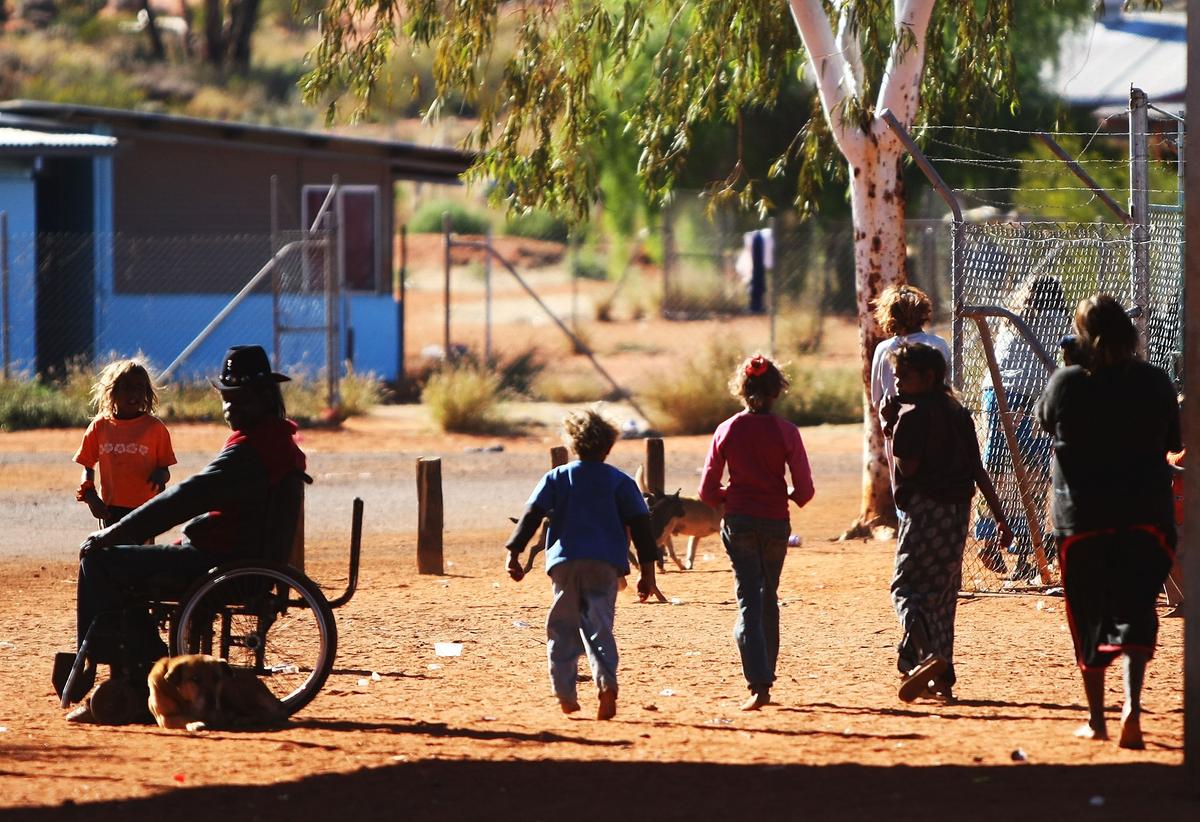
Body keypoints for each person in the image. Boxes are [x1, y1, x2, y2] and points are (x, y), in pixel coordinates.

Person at [67, 345, 307, 723]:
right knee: (124, 563)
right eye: (226, 399)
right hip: (236, 555)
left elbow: (182, 498)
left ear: (263, 399)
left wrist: (113, 533)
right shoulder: (277, 441)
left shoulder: (252, 451)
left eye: (237, 400)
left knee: (99, 561)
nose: (229, 409)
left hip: (218, 561)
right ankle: (144, 669)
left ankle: (136, 675)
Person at [1037, 294, 1180, 749]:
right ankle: (1132, 708)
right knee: (1137, 608)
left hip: (1083, 518)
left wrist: (1071, 367)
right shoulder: (1155, 380)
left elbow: (1046, 421)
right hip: (1146, 515)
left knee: (1089, 613)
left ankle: (1097, 719)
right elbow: (1173, 439)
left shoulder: (1067, 382)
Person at [504, 409, 662, 721]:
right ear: (609, 447)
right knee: (599, 626)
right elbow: (642, 528)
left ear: (574, 444)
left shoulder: (557, 477)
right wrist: (648, 575)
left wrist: (514, 552)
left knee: (562, 627)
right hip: (605, 564)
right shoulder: (620, 482)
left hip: (565, 562)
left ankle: (565, 692)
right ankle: (606, 684)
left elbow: (532, 515)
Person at [880, 343, 1012, 703]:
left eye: (904, 376)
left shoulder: (912, 416)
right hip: (958, 513)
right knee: (941, 594)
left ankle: (924, 648)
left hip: (925, 510)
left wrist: (890, 428)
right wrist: (1000, 517)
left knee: (905, 589)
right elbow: (977, 469)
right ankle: (942, 677)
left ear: (928, 377)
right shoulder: (958, 412)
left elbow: (908, 469)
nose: (898, 383)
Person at [699, 354, 815, 711]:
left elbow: (707, 490)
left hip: (739, 523)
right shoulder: (787, 432)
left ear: (742, 389)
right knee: (768, 597)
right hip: (775, 524)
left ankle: (758, 680)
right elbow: (805, 491)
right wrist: (786, 495)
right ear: (777, 390)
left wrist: (730, 494)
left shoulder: (728, 429)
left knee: (748, 596)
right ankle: (767, 671)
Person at [973, 275, 1070, 580]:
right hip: (1029, 394)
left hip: (997, 391)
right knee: (1035, 472)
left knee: (1000, 469)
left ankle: (992, 537)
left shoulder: (1013, 319)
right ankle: (1027, 549)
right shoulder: (1055, 317)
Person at [73, 359, 177, 528]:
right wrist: (90, 495)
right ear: (112, 391)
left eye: (139, 387)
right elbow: (88, 465)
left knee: (141, 553)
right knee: (112, 552)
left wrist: (161, 476)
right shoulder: (100, 426)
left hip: (145, 508)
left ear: (147, 393)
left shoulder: (155, 429)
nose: (133, 393)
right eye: (126, 387)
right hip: (110, 508)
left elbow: (165, 469)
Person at [869, 284, 951, 413]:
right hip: (934, 417)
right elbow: (950, 385)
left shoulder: (884, 349)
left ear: (889, 316)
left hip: (895, 421)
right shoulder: (937, 344)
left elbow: (877, 398)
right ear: (923, 311)